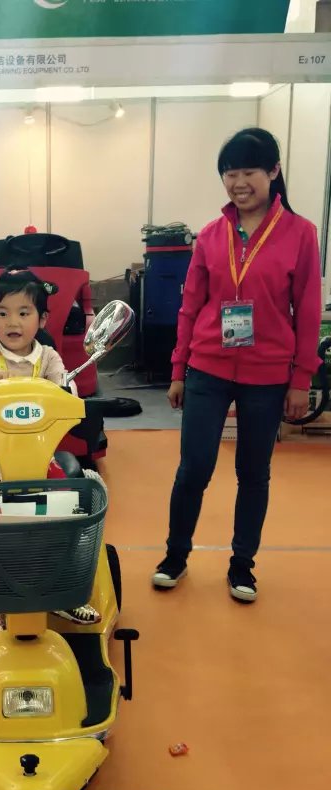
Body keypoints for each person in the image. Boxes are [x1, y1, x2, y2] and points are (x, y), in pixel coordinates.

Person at [153, 128, 322, 602]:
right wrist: (178, 369)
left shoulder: (301, 234)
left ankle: (242, 565)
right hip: (207, 368)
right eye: (230, 173)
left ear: (273, 172)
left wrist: (301, 379)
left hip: (267, 375)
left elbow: (309, 310)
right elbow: (190, 307)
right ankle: (175, 555)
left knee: (253, 472)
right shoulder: (211, 235)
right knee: (194, 468)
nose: (238, 182)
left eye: (248, 171)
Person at [0, 267, 101, 642]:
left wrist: (63, 389)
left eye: (23, 312)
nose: (12, 322)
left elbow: (67, 388)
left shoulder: (47, 357)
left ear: (42, 319)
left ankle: (58, 588)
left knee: (62, 516)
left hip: (38, 456)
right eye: (2, 313)